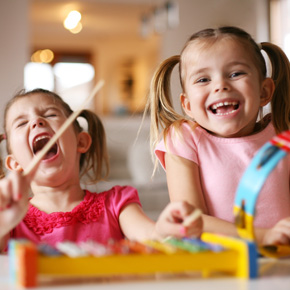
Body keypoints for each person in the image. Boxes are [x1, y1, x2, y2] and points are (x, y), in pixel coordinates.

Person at [0, 88, 203, 253]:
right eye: (22, 123)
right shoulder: (10, 221)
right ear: (14, 163)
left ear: (81, 141)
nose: (37, 121)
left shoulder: (117, 203)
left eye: (50, 114)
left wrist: (165, 229)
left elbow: (151, 236)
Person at [146, 26, 290, 246]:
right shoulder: (183, 138)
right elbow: (192, 220)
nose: (221, 86)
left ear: (264, 92)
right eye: (203, 79)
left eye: (236, 74)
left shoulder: (283, 135)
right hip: (218, 265)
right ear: (188, 105)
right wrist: (263, 237)